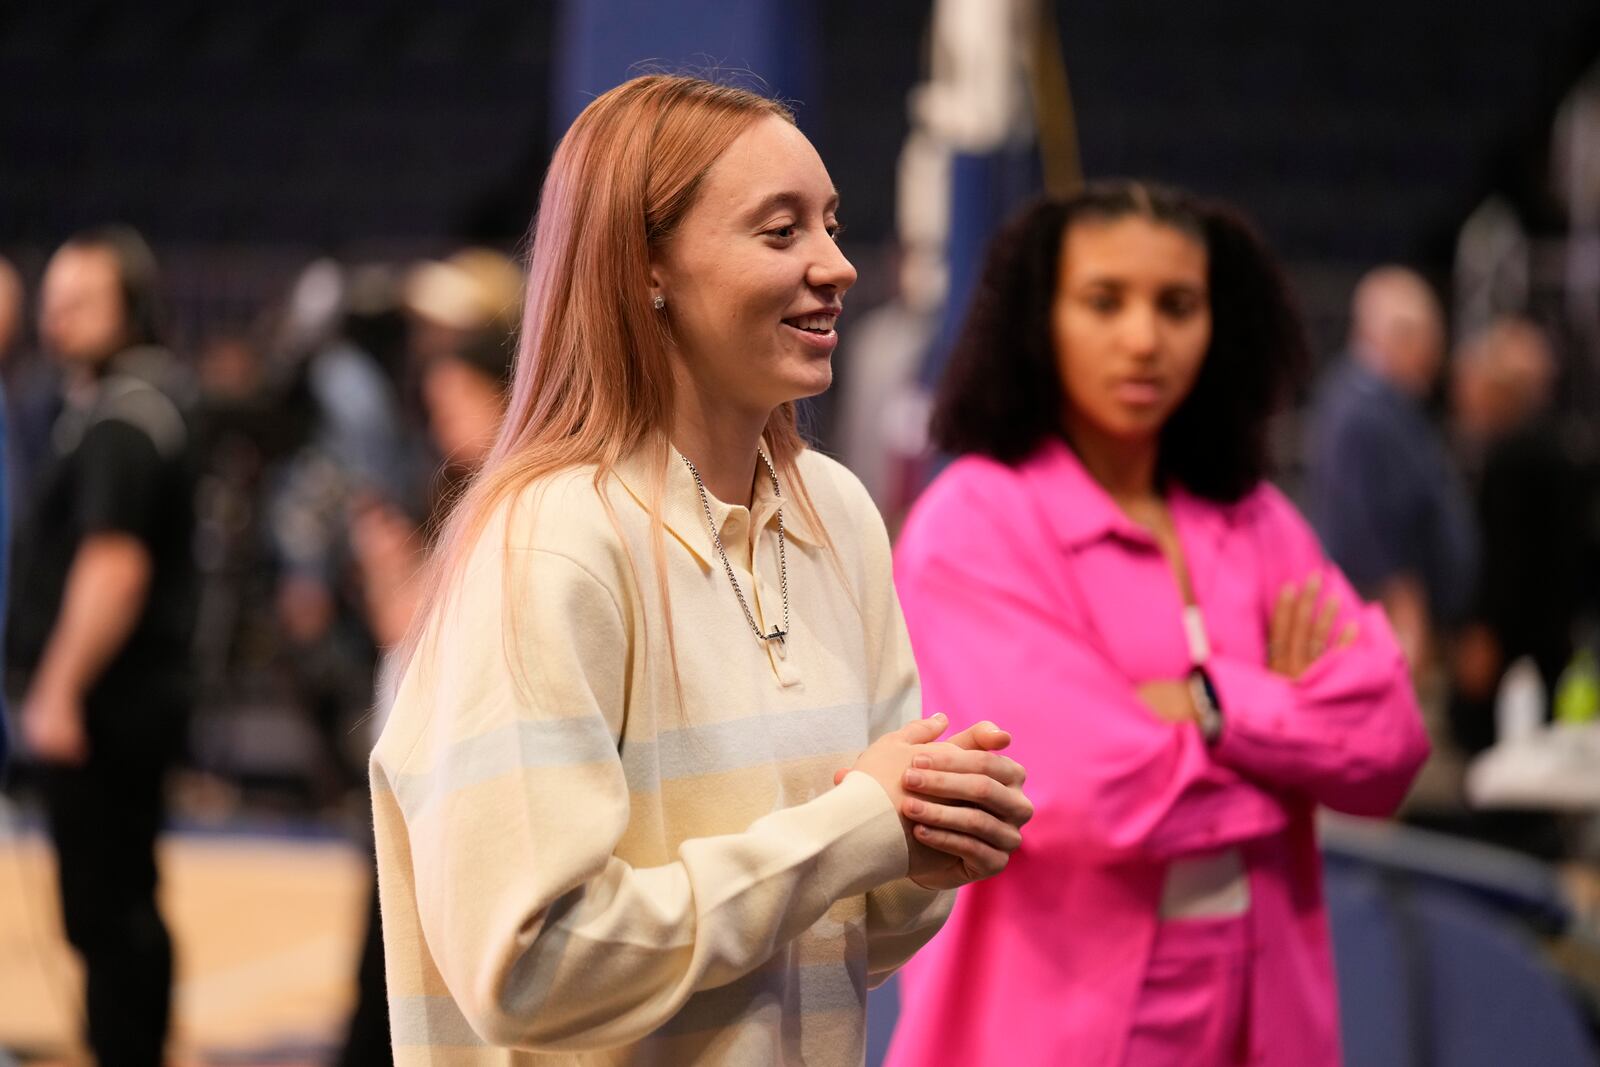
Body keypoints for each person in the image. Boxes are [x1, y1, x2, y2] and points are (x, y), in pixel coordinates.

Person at [369, 74, 1033, 1065]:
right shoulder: (549, 540)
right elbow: (529, 969)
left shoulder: (838, 514)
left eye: (832, 224)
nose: (838, 264)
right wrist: (856, 826)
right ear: (646, 268)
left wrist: (926, 844)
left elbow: (853, 927)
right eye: (781, 232)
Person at [885, 184, 1430, 1067]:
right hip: (1048, 1026)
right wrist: (1290, 741)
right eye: (1104, 301)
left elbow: (1389, 745)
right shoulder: (973, 522)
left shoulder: (1257, 521)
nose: (1144, 338)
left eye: (1177, 304)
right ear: (1040, 319)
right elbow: (1075, 794)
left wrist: (1210, 703)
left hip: (1265, 1013)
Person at [11, 226, 196, 1067]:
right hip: (114, 709)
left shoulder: (125, 419)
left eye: (81, 303)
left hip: (107, 713)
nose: (58, 321)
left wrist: (57, 689)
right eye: (53, 303)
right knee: (113, 901)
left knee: (109, 905)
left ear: (132, 307)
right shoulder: (105, 406)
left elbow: (114, 567)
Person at [1304, 266, 1478, 670]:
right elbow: (1365, 525)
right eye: (1428, 341)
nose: (1435, 357)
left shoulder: (1388, 404)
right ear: (1400, 337)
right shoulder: (1364, 410)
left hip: (1407, 617)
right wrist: (1406, 615)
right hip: (1389, 622)